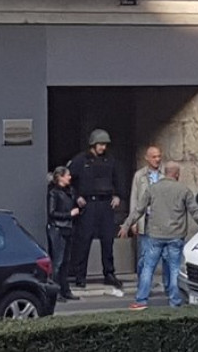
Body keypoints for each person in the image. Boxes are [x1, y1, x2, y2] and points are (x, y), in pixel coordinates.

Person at [118, 161, 198, 310]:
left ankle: (141, 300)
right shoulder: (183, 190)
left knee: (148, 268)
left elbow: (139, 209)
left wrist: (126, 225)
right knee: (174, 269)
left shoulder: (153, 188)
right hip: (176, 235)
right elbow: (195, 212)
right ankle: (175, 301)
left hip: (155, 235)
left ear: (165, 173)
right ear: (177, 174)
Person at [68, 128, 125, 289]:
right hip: (88, 204)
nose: (103, 147)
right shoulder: (80, 160)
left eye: (105, 145)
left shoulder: (110, 160)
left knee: (108, 240)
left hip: (105, 204)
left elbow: (118, 179)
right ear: (93, 144)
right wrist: (76, 197)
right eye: (100, 144)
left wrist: (118, 196)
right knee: (84, 240)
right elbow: (69, 181)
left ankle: (109, 273)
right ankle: (80, 275)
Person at [129, 146, 170, 292]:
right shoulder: (140, 176)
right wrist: (133, 220)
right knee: (145, 256)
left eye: (159, 156)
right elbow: (134, 198)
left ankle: (169, 286)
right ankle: (144, 286)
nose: (157, 159)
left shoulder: (166, 174)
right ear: (147, 158)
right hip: (146, 219)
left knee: (167, 255)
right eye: (154, 157)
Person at [46, 166, 81, 302]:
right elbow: (52, 212)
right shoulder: (54, 192)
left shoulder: (70, 191)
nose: (70, 177)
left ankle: (65, 290)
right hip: (58, 229)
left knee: (66, 262)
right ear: (60, 177)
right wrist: (69, 214)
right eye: (67, 175)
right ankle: (56, 292)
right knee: (58, 262)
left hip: (68, 228)